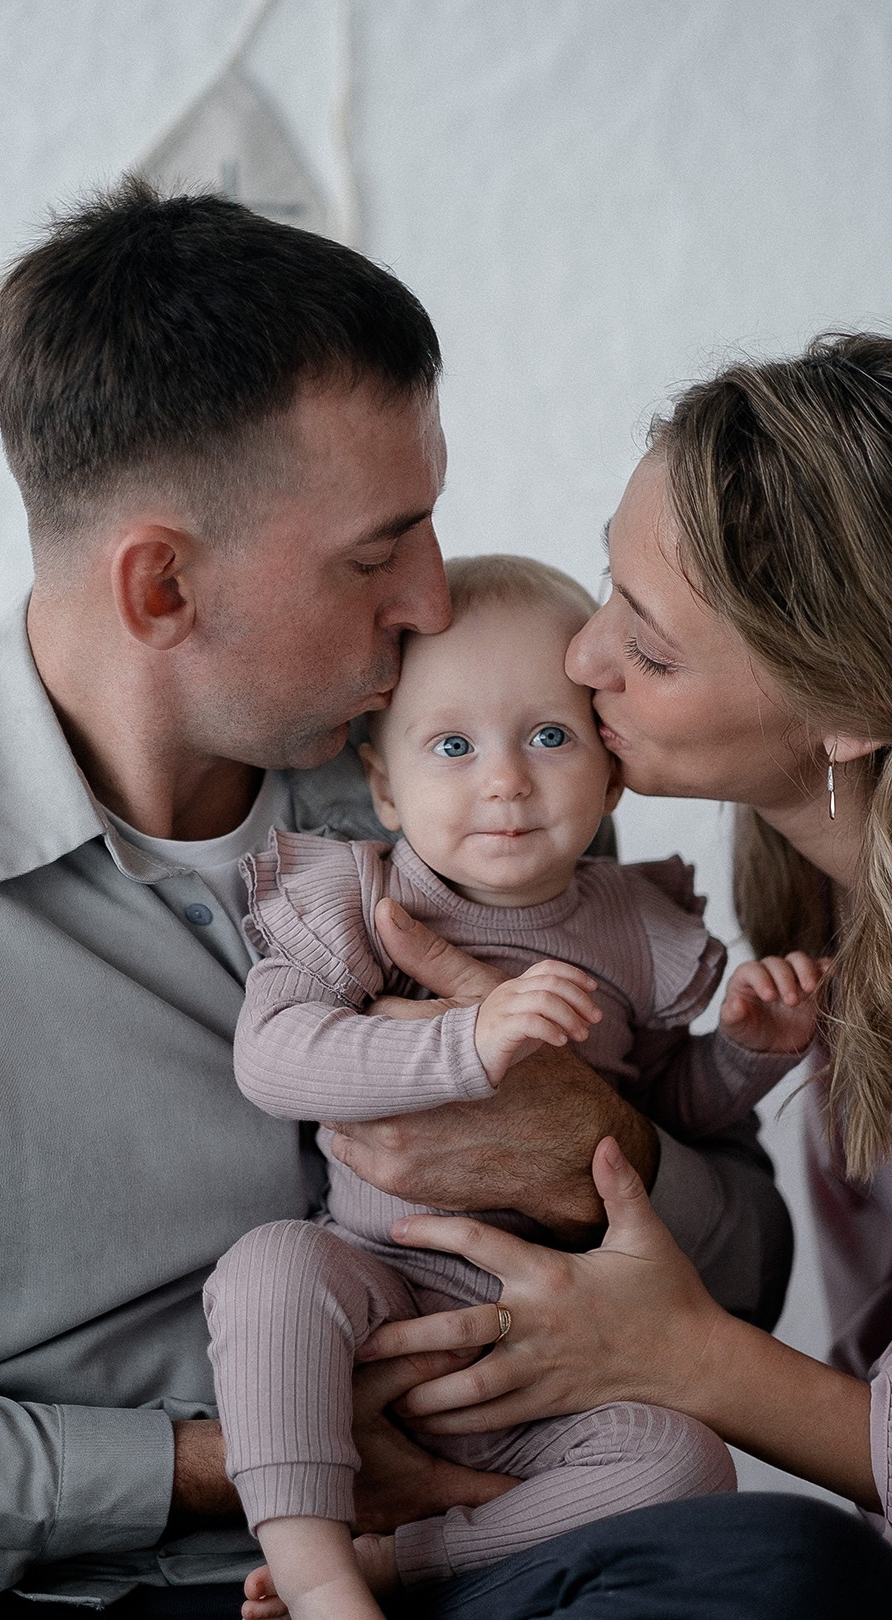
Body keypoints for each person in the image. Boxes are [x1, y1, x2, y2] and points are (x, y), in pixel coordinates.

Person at [0, 176, 791, 1615]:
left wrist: (598, 1147)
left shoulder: (444, 777)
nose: (435, 598)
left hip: (495, 1518)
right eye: (375, 550)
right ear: (159, 590)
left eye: (430, 525)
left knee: (784, 1566)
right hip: (82, 1576)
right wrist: (227, 1465)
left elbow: (752, 1269)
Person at [349, 332, 892, 1614]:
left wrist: (677, 1353)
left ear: (845, 712)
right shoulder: (791, 906)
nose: (582, 660)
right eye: (607, 585)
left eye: (648, 648)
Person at [204, 552, 825, 1620]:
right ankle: (318, 1578)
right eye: (452, 746)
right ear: (385, 786)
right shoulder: (362, 898)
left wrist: (748, 1054)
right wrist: (466, 1042)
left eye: (549, 736)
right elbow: (273, 1058)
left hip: (560, 1333)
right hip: (376, 1285)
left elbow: (670, 1114)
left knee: (686, 1462)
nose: (505, 780)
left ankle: (422, 1559)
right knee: (267, 1273)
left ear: (611, 768)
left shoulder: (635, 926)